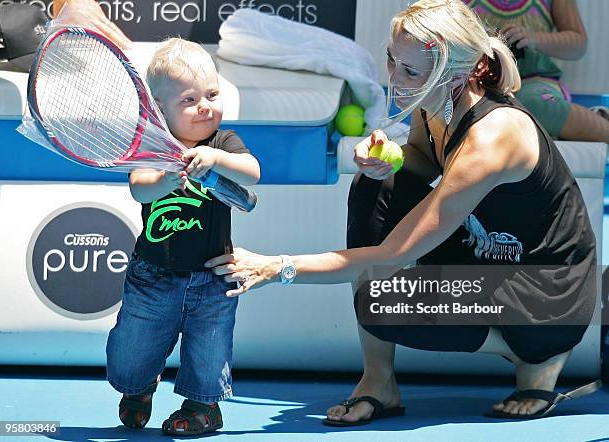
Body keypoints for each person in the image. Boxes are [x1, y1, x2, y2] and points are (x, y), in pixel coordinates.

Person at [205, 0, 600, 424]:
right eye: (392, 60)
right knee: (374, 186)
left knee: (379, 303)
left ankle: (535, 352)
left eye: (410, 71)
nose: (394, 78)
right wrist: (386, 158)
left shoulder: (492, 140)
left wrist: (276, 267)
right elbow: (422, 159)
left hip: (547, 293)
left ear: (455, 75)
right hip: (489, 254)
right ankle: (378, 382)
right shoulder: (437, 101)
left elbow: (391, 255)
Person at [105, 37, 261, 436]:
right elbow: (140, 188)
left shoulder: (222, 142)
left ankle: (203, 407)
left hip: (213, 278)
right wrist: (165, 180)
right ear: (159, 110)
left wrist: (217, 160)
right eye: (189, 100)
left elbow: (252, 171)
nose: (204, 106)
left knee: (209, 353)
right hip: (153, 277)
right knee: (132, 353)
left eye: (211, 94)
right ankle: (140, 387)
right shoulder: (152, 147)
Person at [464, 0, 609, 143]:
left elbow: (578, 44)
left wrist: (534, 39)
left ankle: (601, 127)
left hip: (532, 81)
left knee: (534, 103)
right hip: (475, 81)